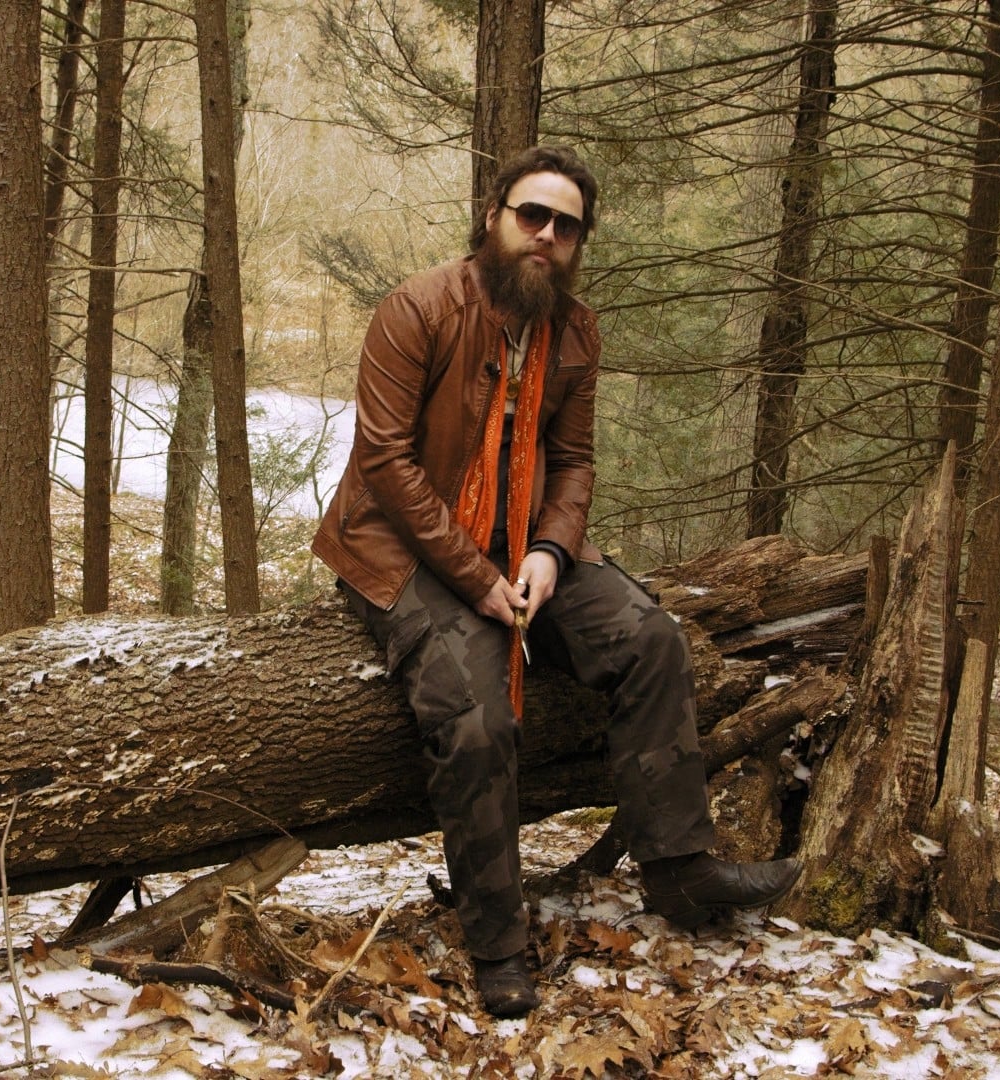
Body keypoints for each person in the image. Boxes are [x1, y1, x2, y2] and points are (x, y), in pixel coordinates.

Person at [312, 145, 801, 1018]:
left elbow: (572, 461)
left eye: (565, 226)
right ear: (493, 217)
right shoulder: (418, 309)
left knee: (651, 639)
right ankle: (498, 943)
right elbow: (384, 461)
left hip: (521, 540)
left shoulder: (574, 331)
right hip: (399, 545)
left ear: (579, 242)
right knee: (476, 716)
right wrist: (478, 578)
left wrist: (549, 551)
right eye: (531, 215)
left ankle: (680, 868)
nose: (545, 235)